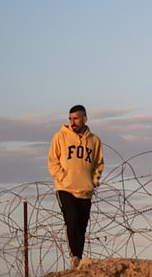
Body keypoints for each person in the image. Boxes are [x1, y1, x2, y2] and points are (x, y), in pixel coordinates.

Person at [48, 105, 104, 269]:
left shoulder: (94, 141)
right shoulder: (60, 137)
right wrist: (62, 178)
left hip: (85, 190)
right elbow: (52, 161)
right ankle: (75, 257)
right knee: (71, 220)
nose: (72, 122)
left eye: (76, 119)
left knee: (82, 226)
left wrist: (93, 181)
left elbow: (99, 163)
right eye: (70, 119)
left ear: (85, 119)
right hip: (65, 188)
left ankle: (78, 260)